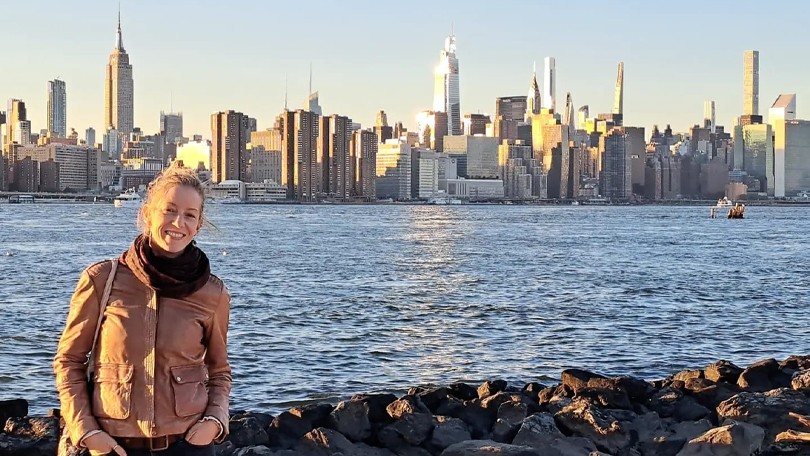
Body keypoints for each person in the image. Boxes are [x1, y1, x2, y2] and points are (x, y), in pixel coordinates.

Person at [54, 164, 231, 455]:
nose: (178, 222)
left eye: (189, 215)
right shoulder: (103, 280)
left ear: (198, 224)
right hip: (113, 446)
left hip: (187, 446)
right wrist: (85, 430)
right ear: (148, 213)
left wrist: (214, 420)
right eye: (169, 210)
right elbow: (69, 361)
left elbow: (220, 370)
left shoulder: (212, 293)